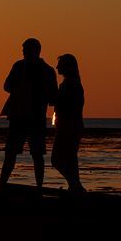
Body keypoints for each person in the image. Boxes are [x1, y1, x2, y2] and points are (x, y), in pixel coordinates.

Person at [0, 38, 58, 189]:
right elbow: (7, 86)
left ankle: (39, 187)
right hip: (18, 116)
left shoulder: (47, 70)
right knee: (11, 154)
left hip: (34, 118)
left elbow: (53, 96)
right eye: (23, 50)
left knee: (36, 155)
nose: (24, 53)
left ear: (36, 51)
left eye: (26, 50)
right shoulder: (19, 66)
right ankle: (2, 184)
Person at [51, 54, 85, 192]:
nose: (57, 67)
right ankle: (75, 186)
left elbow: (66, 105)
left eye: (60, 64)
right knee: (70, 159)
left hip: (68, 126)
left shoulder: (71, 85)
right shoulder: (72, 83)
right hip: (71, 125)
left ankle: (75, 184)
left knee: (57, 159)